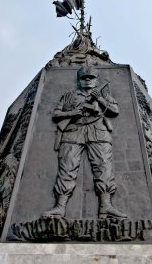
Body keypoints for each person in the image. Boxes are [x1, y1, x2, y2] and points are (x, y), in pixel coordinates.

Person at [43, 66, 127, 219]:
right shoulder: (69, 96)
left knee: (104, 166)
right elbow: (56, 114)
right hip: (74, 131)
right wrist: (71, 113)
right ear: (79, 80)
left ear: (96, 80)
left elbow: (114, 111)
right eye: (84, 78)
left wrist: (100, 99)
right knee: (67, 167)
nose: (87, 80)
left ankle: (106, 206)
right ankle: (60, 207)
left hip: (98, 131)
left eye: (91, 78)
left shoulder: (103, 94)